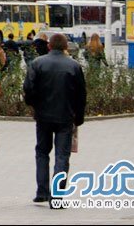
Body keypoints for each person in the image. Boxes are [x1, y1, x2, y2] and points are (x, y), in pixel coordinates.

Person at [23, 32, 87, 208]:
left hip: (43, 116)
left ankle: (41, 192)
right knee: (62, 156)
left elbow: (28, 88)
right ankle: (57, 196)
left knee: (42, 152)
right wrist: (79, 117)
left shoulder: (37, 63)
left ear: (49, 46)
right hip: (65, 116)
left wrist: (34, 104)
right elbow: (81, 94)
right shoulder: (74, 66)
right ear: (66, 47)